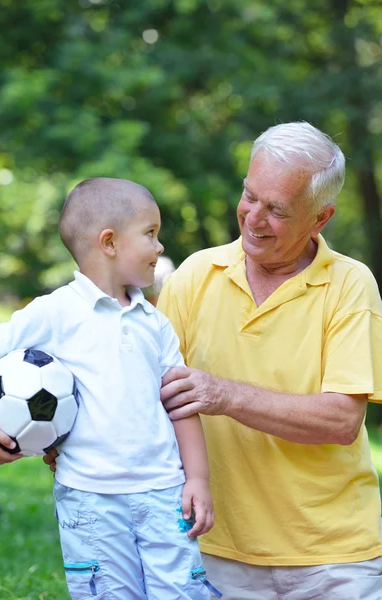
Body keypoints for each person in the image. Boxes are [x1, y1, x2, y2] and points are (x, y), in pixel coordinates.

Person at [158, 122, 382, 600]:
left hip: (333, 559)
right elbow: (143, 388)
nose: (253, 218)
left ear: (321, 218)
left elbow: (342, 419)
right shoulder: (196, 274)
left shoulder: (350, 285)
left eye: (276, 209)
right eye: (249, 195)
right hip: (213, 548)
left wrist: (223, 394)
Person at [0, 178, 220, 600]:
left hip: (164, 493)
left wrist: (197, 478)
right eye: (150, 234)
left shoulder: (155, 323)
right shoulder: (55, 311)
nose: (159, 247)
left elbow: (181, 405)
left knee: (183, 593)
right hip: (89, 500)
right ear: (109, 242)